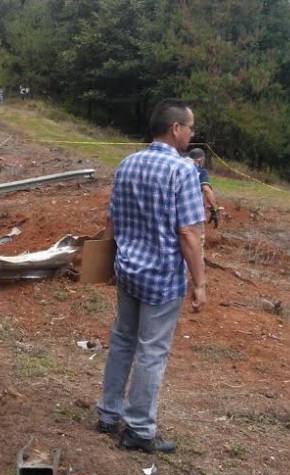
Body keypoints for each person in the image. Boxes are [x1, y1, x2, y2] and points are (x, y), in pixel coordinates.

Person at [94, 99, 207, 453]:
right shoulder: (183, 171)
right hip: (162, 279)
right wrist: (200, 283)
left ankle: (108, 414)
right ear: (176, 129)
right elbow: (188, 233)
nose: (191, 133)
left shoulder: (127, 164)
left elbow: (111, 219)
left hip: (127, 271)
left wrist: (105, 263)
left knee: (122, 341)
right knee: (151, 351)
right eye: (190, 127)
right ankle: (140, 429)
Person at [188, 148, 220, 228]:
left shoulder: (178, 168)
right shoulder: (201, 172)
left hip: (175, 209)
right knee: (196, 234)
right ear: (200, 160)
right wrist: (215, 208)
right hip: (193, 212)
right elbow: (206, 190)